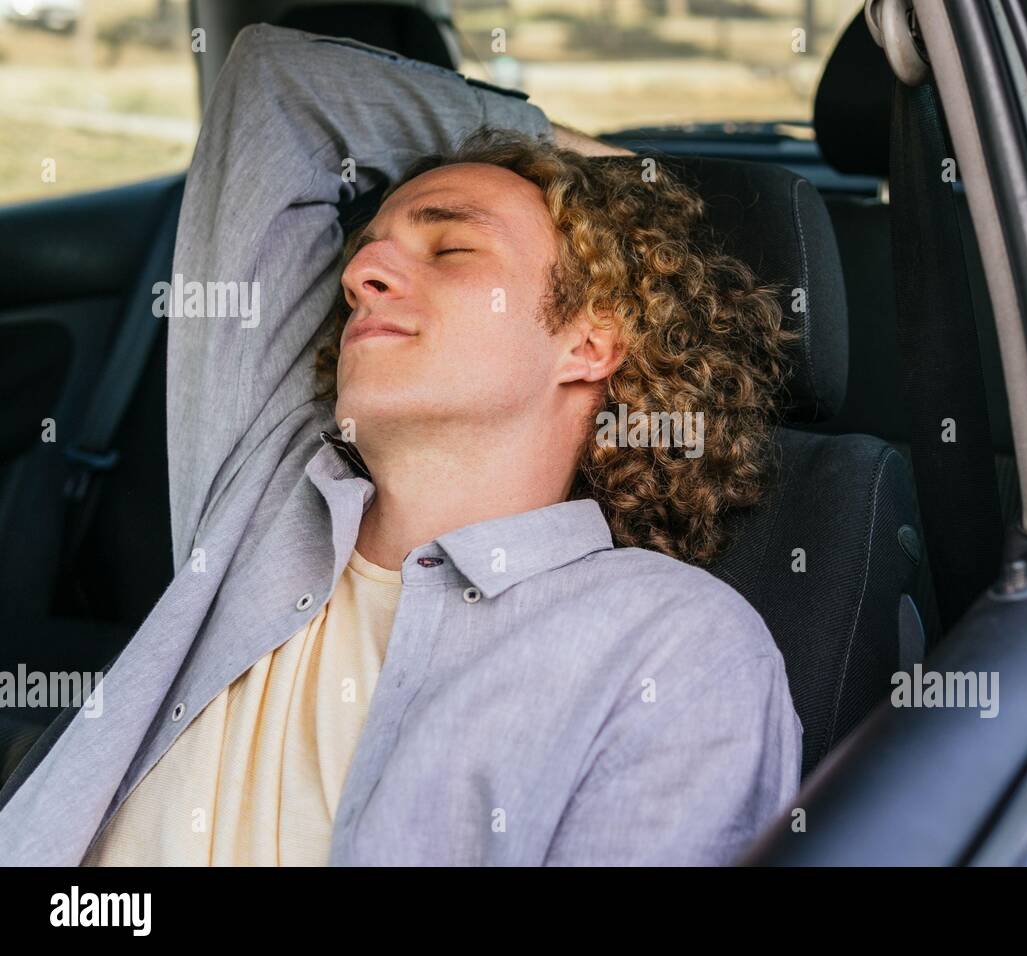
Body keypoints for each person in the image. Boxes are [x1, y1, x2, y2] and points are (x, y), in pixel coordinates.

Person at [0, 23, 802, 866]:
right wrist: (560, 152)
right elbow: (281, 87)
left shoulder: (674, 644)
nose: (361, 274)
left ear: (593, 341)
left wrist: (609, 185)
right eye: (363, 254)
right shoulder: (269, 489)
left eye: (451, 246)